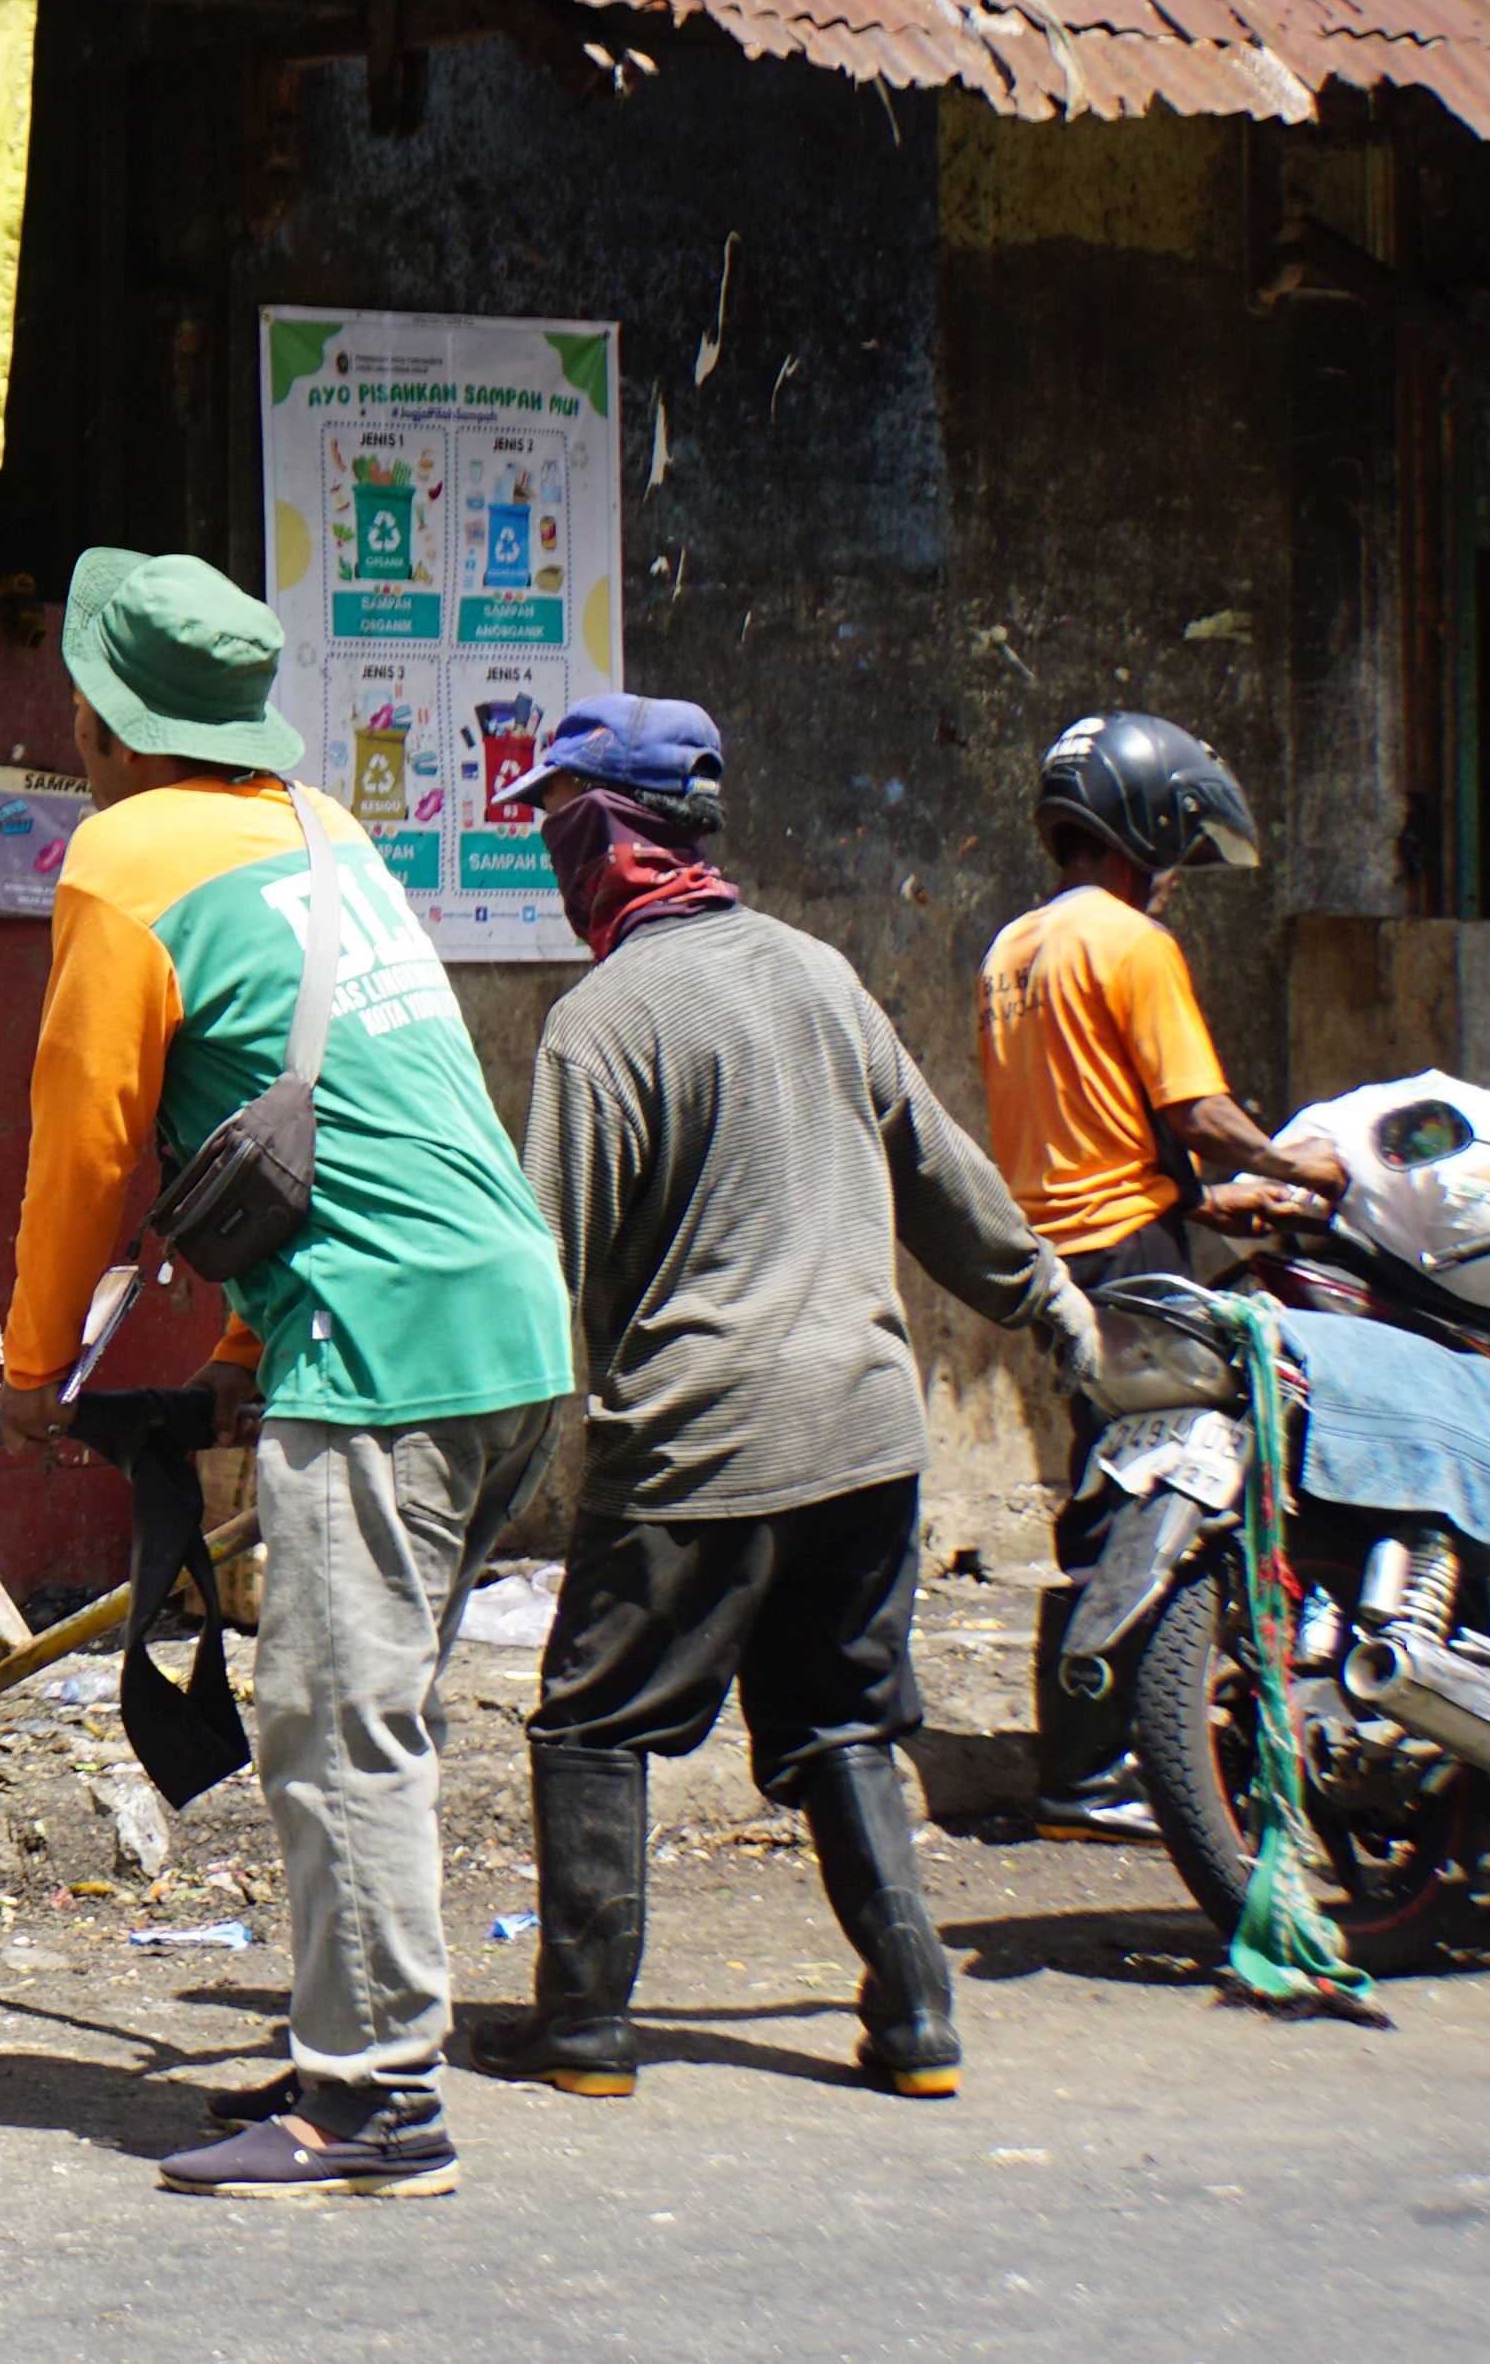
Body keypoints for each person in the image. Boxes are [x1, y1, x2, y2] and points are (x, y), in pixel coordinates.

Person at [0, 550, 576, 2202]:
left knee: (332, 1724)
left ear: (105, 719)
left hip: (380, 1345)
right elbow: (360, 1106)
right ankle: (350, 2036)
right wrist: (242, 1342)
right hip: (509, 1330)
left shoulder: (120, 858)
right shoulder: (327, 831)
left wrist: (34, 1366)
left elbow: (85, 1149)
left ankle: (377, 2103)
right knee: (369, 1709)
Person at [481, 696, 1101, 2104]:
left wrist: (479, 1470)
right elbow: (942, 1177)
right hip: (868, 1433)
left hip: (702, 1438)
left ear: (615, 835)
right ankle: (917, 2018)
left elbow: (543, 1270)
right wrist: (1045, 1300)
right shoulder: (820, 973)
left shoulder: (603, 1021)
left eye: (565, 828)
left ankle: (581, 2027)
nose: (557, 861)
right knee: (837, 1722)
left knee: (592, 1721)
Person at [976, 710, 1344, 1843]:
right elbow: (1197, 1113)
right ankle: (1091, 1773)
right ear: (1137, 825)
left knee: (1102, 1486)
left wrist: (1221, 1202)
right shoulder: (1133, 945)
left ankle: (1098, 1757)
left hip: (1059, 1260)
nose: (1178, 877)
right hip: (1132, 1255)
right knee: (1167, 1490)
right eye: (1178, 847)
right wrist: (1293, 1162)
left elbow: (1092, 1131)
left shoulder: (1016, 947)